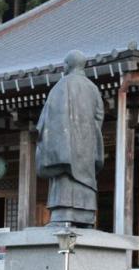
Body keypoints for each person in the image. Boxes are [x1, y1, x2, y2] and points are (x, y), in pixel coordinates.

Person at [36, 50, 104, 227]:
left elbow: (49, 118)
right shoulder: (93, 89)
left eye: (64, 64)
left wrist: (59, 140)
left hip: (65, 146)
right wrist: (87, 134)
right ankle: (87, 216)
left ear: (68, 65)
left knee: (65, 175)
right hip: (87, 144)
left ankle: (63, 213)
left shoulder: (60, 86)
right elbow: (99, 116)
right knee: (85, 178)